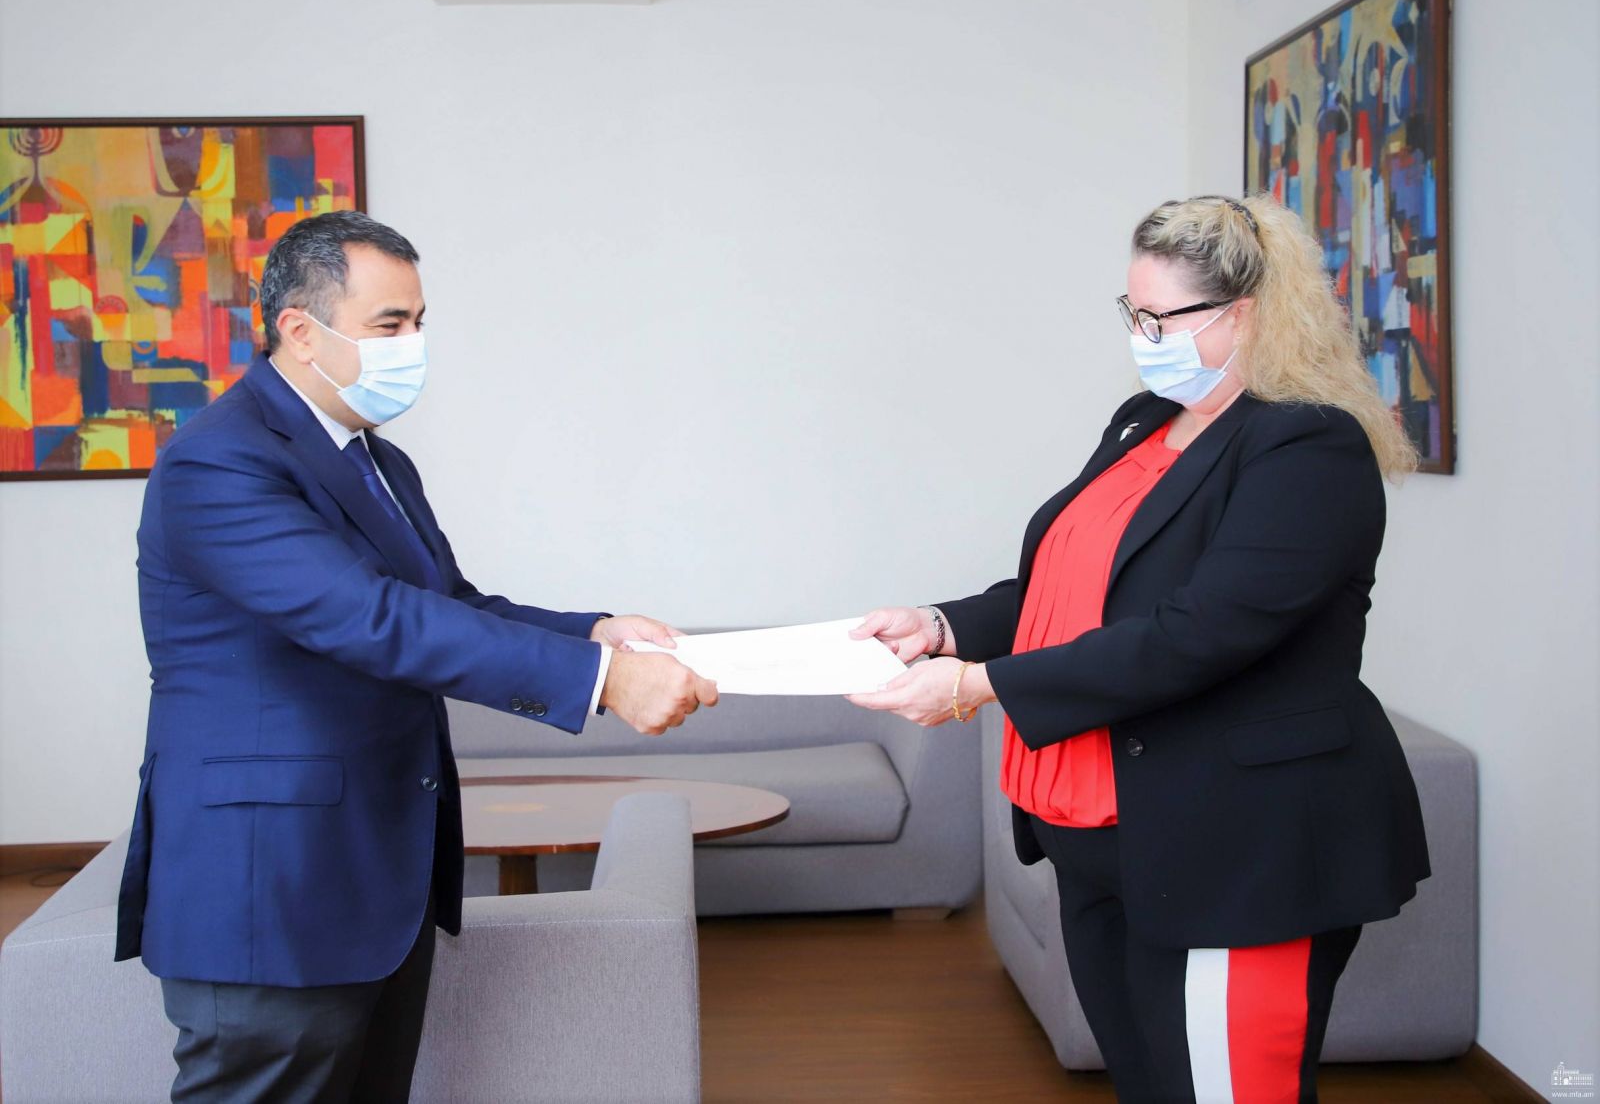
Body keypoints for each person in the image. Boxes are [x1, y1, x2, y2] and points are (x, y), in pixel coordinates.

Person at [114, 210, 718, 1103]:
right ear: (300, 330)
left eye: (419, 322)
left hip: (371, 879)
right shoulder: (219, 462)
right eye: (390, 324)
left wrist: (592, 633)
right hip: (270, 885)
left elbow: (447, 604)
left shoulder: (379, 461)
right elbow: (369, 617)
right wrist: (602, 682)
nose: (413, 346)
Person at [849, 194, 1431, 1103]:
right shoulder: (1145, 420)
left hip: (1236, 843)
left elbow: (1200, 633)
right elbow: (1069, 589)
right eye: (1134, 312)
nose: (1142, 337)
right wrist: (941, 625)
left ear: (1248, 313)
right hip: (1107, 844)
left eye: (1162, 318)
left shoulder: (1307, 444)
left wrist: (977, 683)